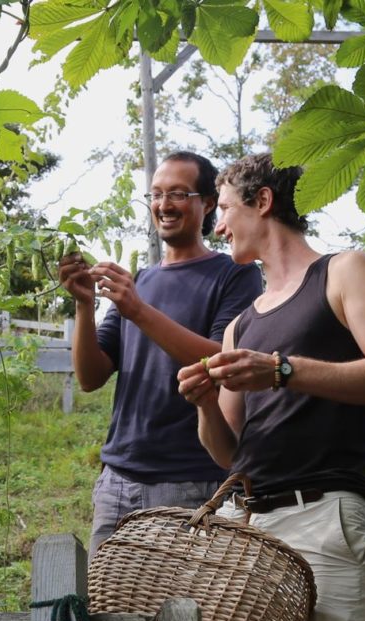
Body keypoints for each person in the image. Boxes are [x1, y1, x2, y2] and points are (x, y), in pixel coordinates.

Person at [176, 152, 365, 621]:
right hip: (247, 530)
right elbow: (230, 453)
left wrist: (282, 370)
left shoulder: (345, 271)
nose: (218, 227)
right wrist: (204, 404)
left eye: (223, 209)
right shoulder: (241, 324)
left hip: (327, 520)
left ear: (262, 201)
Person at [58, 151, 262, 558]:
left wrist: (137, 309)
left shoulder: (235, 274)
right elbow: (91, 376)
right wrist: (83, 305)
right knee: (107, 613)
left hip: (191, 482)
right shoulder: (143, 281)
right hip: (117, 479)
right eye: (155, 194)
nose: (164, 205)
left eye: (178, 194)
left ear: (207, 203)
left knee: (182, 617)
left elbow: (223, 361)